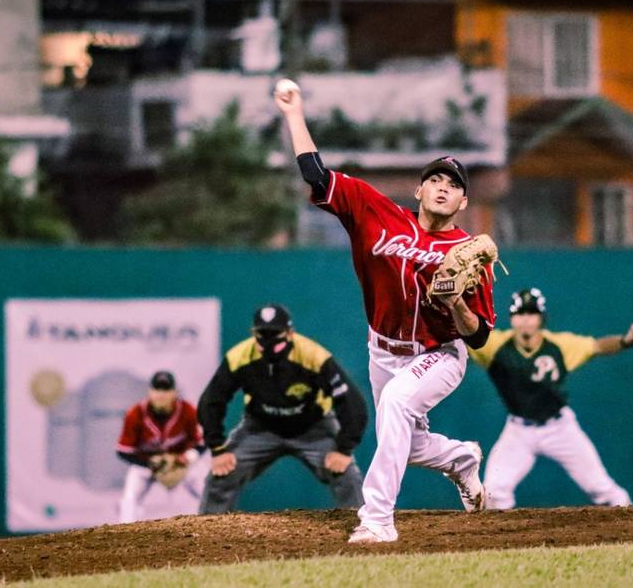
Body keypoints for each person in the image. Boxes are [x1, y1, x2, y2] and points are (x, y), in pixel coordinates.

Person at [275, 83, 497, 543]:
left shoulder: (469, 253)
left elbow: (478, 338)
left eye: (453, 185)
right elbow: (316, 175)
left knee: (396, 405)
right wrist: (294, 113)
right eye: (435, 179)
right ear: (418, 189)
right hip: (383, 349)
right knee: (407, 442)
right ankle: (461, 460)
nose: (443, 187)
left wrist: (455, 302)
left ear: (463, 203)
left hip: (439, 353)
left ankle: (377, 520)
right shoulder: (377, 212)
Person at [469, 287, 633, 510]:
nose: (525, 319)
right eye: (520, 314)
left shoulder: (559, 346)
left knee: (602, 488)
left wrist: (626, 340)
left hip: (560, 427)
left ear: (541, 318)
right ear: (511, 318)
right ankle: (505, 540)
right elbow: (465, 340)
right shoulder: (495, 346)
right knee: (494, 492)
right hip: (518, 431)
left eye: (531, 313)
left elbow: (596, 346)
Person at [197, 304, 367, 514]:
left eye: (275, 334)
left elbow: (351, 402)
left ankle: (364, 527)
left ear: (290, 333)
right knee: (221, 474)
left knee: (346, 474)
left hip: (314, 429)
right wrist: (217, 449)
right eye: (262, 334)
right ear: (254, 334)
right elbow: (211, 401)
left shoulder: (313, 356)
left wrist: (343, 449)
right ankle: (206, 537)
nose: (268, 340)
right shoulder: (239, 356)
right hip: (260, 428)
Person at [116, 370, 207, 523]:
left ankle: (221, 527)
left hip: (179, 462)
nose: (161, 395)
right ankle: (124, 532)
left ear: (175, 392)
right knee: (129, 498)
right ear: (149, 392)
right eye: (157, 389)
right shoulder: (135, 413)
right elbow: (123, 451)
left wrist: (188, 457)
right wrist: (150, 463)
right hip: (146, 465)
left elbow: (202, 443)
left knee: (207, 488)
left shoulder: (187, 410)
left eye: (166, 390)